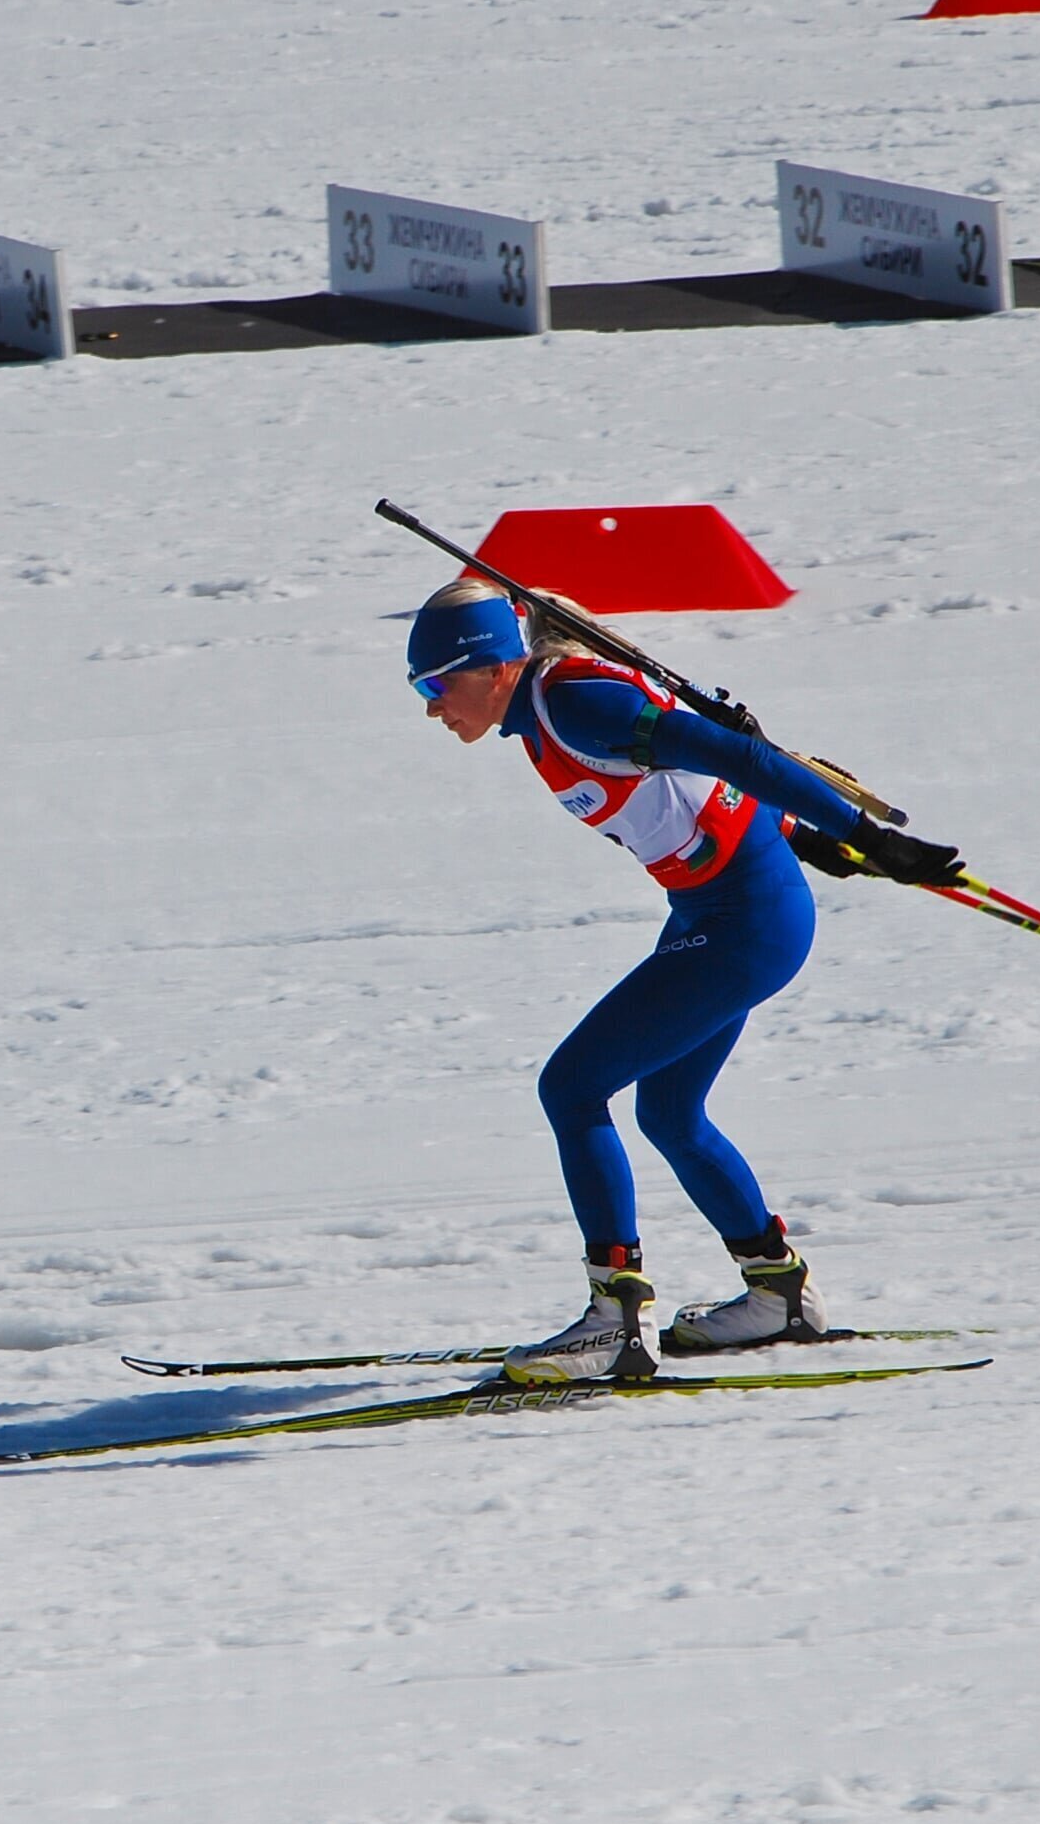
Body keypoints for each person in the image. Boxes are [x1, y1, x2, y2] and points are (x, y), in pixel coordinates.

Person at [403, 577, 968, 1385]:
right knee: (668, 1109)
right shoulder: (541, 716)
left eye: (436, 683)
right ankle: (777, 1296)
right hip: (725, 913)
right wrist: (797, 836)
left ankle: (614, 1324)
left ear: (494, 666)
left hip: (743, 924)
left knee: (571, 1088)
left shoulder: (576, 705)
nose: (431, 706)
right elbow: (699, 787)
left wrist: (864, 837)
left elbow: (737, 753)